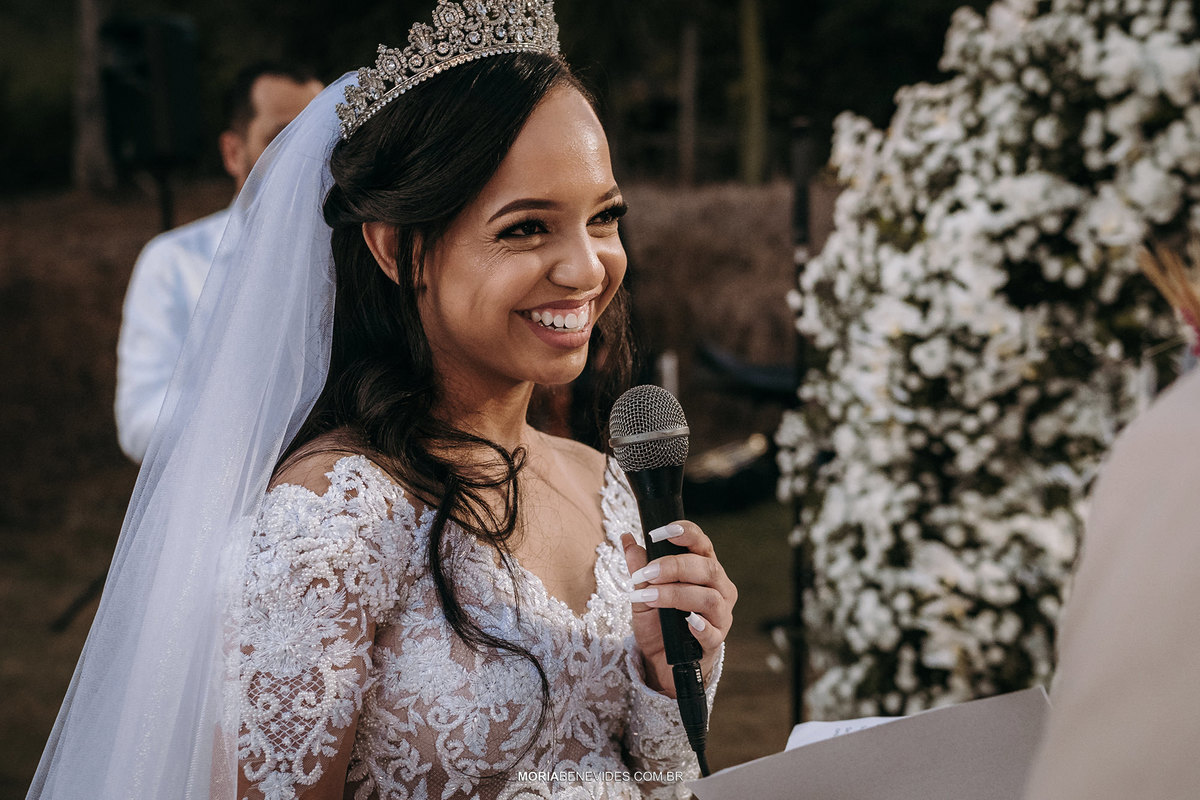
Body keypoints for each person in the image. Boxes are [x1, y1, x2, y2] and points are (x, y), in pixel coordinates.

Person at [30, 2, 735, 798]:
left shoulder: (605, 483)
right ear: (399, 247)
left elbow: (654, 783)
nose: (588, 268)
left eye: (604, 217)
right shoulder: (333, 519)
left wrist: (667, 676)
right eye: (526, 228)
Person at [114, 62, 323, 462]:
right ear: (232, 152)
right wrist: (249, 401)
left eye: (318, 138)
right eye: (281, 138)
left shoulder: (359, 251)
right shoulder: (173, 263)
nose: (305, 157)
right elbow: (138, 422)